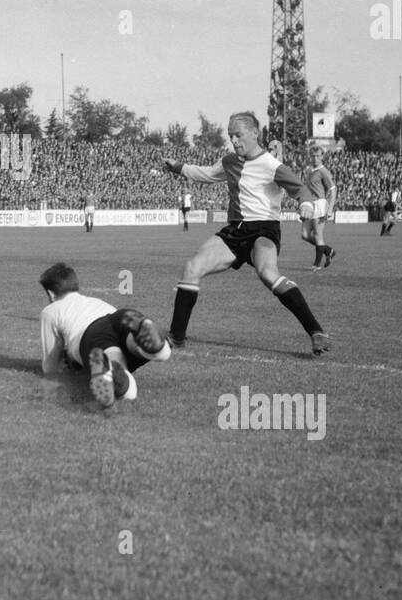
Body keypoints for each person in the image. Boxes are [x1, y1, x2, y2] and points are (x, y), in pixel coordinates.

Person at [162, 111, 331, 355]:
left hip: (263, 229)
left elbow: (301, 191)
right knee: (191, 268)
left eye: (238, 135)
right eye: (231, 136)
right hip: (234, 231)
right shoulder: (231, 160)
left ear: (254, 133)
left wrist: (306, 205)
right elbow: (209, 174)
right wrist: (179, 167)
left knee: (268, 273)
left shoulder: (272, 166)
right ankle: (176, 337)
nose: (234, 141)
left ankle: (317, 332)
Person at [38, 262, 171, 411]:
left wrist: (67, 361)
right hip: (119, 316)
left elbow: (50, 367)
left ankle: (116, 376)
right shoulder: (96, 302)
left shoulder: (51, 310)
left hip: (90, 334)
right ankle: (157, 346)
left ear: (50, 294)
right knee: (142, 349)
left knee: (123, 383)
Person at [299, 145, 338, 270]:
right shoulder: (310, 171)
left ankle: (316, 264)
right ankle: (328, 250)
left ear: (322, 157)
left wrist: (330, 208)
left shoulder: (323, 171)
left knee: (317, 234)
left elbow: (333, 189)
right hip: (310, 205)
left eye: (318, 156)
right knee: (305, 235)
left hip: (320, 204)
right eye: (313, 156)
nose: (315, 158)